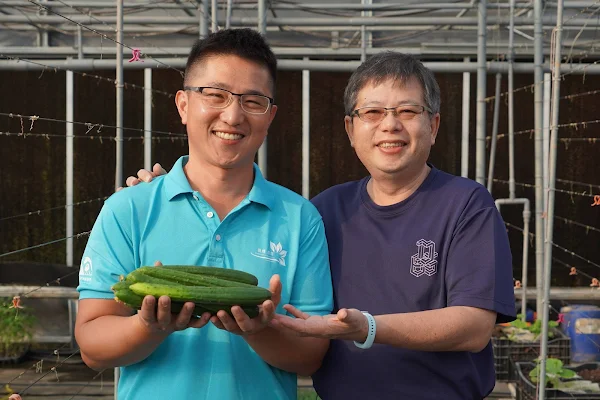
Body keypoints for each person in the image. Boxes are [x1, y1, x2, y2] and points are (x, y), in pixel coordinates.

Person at [128, 52, 516, 399]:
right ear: (350, 129)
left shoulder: (465, 204)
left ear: (433, 126)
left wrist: (367, 328)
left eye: (408, 112)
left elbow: (473, 326)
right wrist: (171, 190)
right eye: (373, 113)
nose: (390, 126)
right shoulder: (324, 210)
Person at [75, 28, 333, 400]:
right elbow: (92, 347)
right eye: (215, 95)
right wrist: (150, 327)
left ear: (270, 115)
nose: (232, 115)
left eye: (253, 101)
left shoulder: (301, 218)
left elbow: (311, 356)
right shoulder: (128, 209)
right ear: (182, 105)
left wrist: (260, 329)